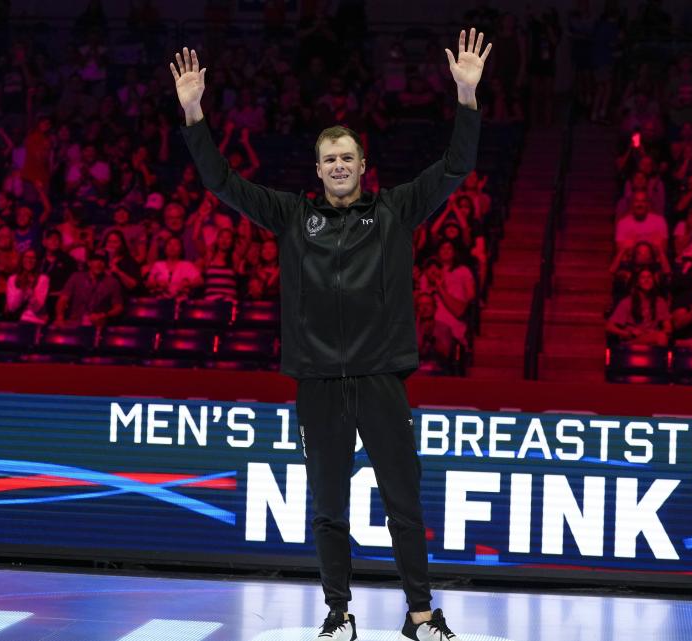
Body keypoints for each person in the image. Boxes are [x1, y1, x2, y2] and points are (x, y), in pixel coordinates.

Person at [171, 28, 491, 640]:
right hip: (317, 380)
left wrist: (467, 97)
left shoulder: (394, 211)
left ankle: (420, 614)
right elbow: (222, 184)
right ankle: (338, 611)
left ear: (363, 167)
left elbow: (458, 165)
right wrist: (193, 112)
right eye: (330, 159)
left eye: (349, 157)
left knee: (403, 502)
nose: (340, 165)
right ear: (317, 169)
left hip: (379, 377)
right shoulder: (293, 215)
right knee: (329, 509)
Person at [54, 249, 124, 327]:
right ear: (89, 262)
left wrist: (104, 315)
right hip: (76, 322)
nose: (99, 263)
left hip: (99, 324)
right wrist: (60, 317)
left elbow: (118, 307)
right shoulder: (76, 277)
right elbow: (63, 299)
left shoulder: (112, 282)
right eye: (95, 260)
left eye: (102, 261)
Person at [606, 267, 671, 346]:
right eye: (642, 277)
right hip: (632, 341)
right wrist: (627, 333)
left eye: (649, 277)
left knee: (661, 337)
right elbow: (609, 326)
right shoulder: (627, 302)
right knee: (660, 338)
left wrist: (657, 332)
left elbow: (668, 327)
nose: (646, 280)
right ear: (637, 282)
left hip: (653, 337)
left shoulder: (659, 301)